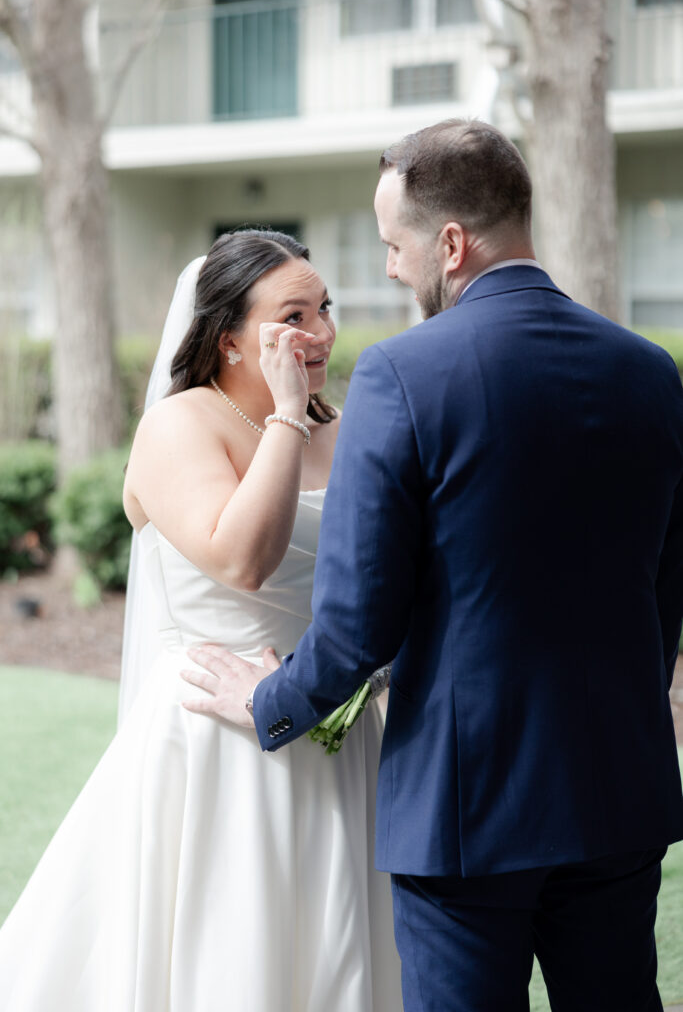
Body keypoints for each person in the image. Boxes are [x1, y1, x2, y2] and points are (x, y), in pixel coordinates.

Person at [183, 121, 683, 1012]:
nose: (388, 270)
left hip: (465, 812)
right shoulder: (650, 373)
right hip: (619, 790)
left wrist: (269, 700)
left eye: (392, 245)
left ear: (449, 244)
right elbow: (664, 590)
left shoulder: (400, 376)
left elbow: (359, 618)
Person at [0, 229, 402, 1012]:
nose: (320, 332)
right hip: (214, 740)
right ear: (229, 340)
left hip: (334, 726)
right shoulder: (180, 426)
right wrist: (288, 415)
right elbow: (242, 560)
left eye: (325, 309)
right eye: (293, 315)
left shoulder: (345, 431)